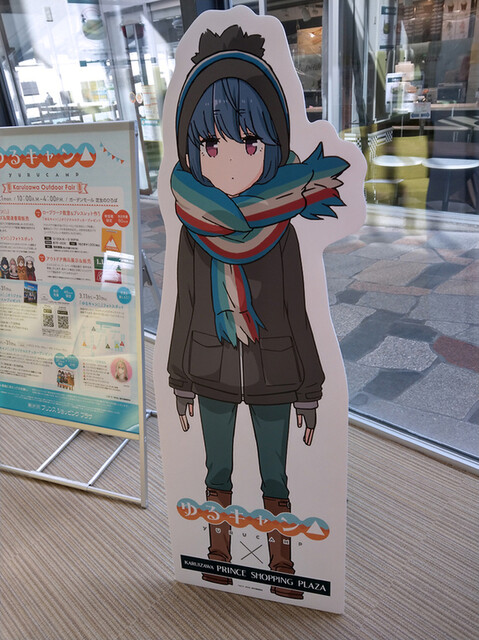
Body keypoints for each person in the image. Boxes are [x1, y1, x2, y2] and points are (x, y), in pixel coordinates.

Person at [167, 25, 348, 599]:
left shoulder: (282, 230)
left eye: (249, 143)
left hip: (275, 372)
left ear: (272, 147)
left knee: (276, 473)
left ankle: (282, 564)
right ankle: (218, 554)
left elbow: (298, 312)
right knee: (215, 471)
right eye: (211, 144)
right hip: (208, 367)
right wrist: (179, 379)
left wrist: (309, 390)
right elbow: (185, 305)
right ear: (192, 150)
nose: (229, 162)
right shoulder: (194, 229)